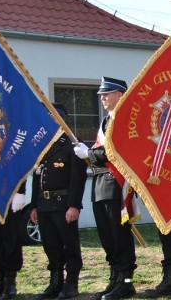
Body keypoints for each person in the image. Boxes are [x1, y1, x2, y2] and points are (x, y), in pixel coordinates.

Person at [73, 77, 137, 300]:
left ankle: (127, 282)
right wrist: (89, 152)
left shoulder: (124, 119)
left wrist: (88, 154)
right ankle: (115, 278)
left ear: (120, 95)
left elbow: (114, 150)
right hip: (101, 182)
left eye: (107, 93)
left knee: (119, 235)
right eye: (101, 94)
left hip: (116, 183)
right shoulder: (107, 121)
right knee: (107, 236)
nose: (102, 98)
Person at [30, 103, 88, 300]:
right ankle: (55, 282)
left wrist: (74, 205)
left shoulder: (72, 143)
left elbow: (77, 178)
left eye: (50, 117)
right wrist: (34, 206)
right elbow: (37, 178)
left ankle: (71, 283)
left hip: (63, 204)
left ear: (60, 119)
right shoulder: (42, 143)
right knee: (51, 246)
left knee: (69, 245)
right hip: (44, 205)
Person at [0, 184, 25, 300]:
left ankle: (10, 282)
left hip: (8, 192)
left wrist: (20, 191)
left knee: (10, 237)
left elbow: (18, 167)